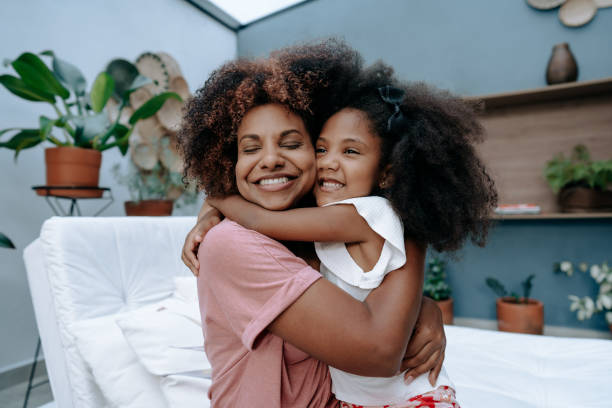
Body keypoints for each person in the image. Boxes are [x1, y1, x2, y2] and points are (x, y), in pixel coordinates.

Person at [204, 63, 497, 407]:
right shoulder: (241, 240)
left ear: (387, 171)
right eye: (323, 149)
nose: (270, 160)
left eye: (294, 143)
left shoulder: (362, 215)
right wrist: (213, 203)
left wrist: (215, 195)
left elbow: (257, 219)